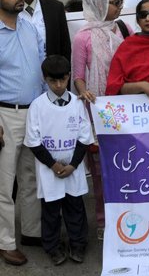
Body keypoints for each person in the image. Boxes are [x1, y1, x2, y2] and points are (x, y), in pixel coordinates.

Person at [71, 0, 130, 239]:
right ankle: (104, 223)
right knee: (100, 171)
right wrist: (84, 92)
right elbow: (78, 76)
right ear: (100, 4)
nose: (119, 7)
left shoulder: (123, 29)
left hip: (123, 108)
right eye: (115, 2)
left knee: (126, 166)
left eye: (120, 2)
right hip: (96, 110)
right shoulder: (83, 36)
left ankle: (129, 217)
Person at [25, 55, 93, 265]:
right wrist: (53, 165)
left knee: (75, 208)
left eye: (62, 80)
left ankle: (78, 244)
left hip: (74, 167)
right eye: (53, 81)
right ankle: (53, 247)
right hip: (49, 169)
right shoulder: (37, 106)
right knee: (51, 211)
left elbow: (84, 137)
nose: (58, 85)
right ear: (45, 79)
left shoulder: (77, 104)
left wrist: (73, 165)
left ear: (68, 76)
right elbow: (34, 141)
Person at [0, 0, 46, 266]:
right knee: (4, 184)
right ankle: (5, 242)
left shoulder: (29, 27)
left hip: (35, 113)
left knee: (31, 178)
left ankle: (32, 231)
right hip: (5, 115)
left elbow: (41, 69)